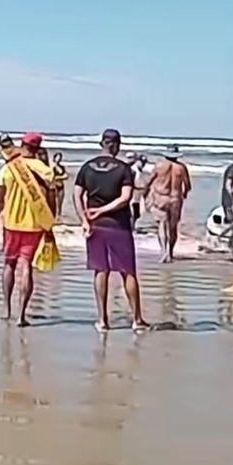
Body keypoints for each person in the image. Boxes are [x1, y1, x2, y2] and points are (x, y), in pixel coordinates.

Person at [73, 129, 148, 332]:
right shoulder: (124, 169)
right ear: (117, 145)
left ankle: (103, 320)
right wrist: (103, 210)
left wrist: (85, 219)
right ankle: (137, 319)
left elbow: (76, 194)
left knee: (101, 270)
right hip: (118, 225)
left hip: (96, 226)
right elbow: (125, 198)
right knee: (127, 271)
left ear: (102, 144)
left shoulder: (87, 167)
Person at [0, 132, 58, 325]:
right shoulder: (45, 170)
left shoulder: (8, 168)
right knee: (26, 265)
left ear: (22, 144)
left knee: (9, 264)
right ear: (38, 148)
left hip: (11, 224)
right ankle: (21, 315)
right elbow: (52, 202)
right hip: (35, 226)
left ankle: (6, 307)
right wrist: (49, 226)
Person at [146, 144, 192, 262]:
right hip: (175, 199)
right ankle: (170, 253)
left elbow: (149, 181)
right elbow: (187, 186)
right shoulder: (181, 168)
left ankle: (163, 252)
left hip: (161, 198)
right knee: (173, 227)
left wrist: (145, 194)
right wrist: (185, 194)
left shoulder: (159, 165)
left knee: (162, 224)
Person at [123, 151, 150, 225]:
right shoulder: (133, 169)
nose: (143, 164)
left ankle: (132, 225)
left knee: (136, 211)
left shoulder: (135, 168)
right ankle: (131, 226)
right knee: (134, 211)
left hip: (136, 193)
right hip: (134, 192)